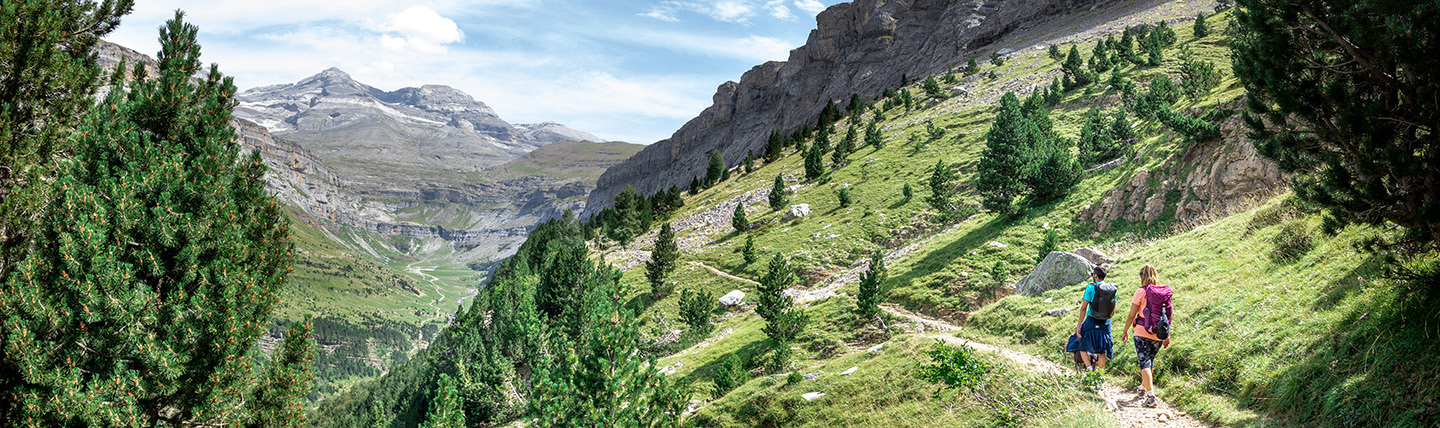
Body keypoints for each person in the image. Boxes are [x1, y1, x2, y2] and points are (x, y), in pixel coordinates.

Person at [1122, 264, 1174, 408]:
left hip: (1141, 332)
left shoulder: (1141, 291)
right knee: (1149, 361)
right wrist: (1166, 336)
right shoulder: (1163, 293)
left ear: (1142, 276)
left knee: (1144, 362)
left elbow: (1131, 315)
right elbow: (1167, 317)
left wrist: (1125, 330)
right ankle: (1142, 388)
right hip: (1158, 333)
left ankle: (1151, 396)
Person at [1065, 266, 1117, 374]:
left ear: (1095, 275)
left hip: (1091, 321)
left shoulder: (1090, 287)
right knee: (1102, 351)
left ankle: (1089, 370)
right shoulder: (1111, 289)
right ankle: (1100, 375)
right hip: (1105, 323)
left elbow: (1083, 308)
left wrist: (1079, 325)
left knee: (1081, 342)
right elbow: (1112, 312)